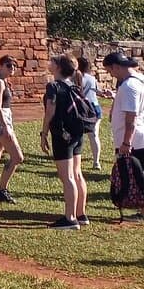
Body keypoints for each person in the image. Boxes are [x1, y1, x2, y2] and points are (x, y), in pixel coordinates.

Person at [41, 55, 88, 230]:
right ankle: (80, 214)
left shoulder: (53, 86)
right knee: (77, 174)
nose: (49, 63)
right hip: (77, 133)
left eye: (52, 61)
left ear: (59, 67)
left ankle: (70, 218)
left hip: (62, 134)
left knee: (67, 176)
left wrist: (44, 132)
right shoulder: (73, 85)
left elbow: (50, 110)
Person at [0, 56, 24, 204]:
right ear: (0, 66)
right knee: (17, 157)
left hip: (2, 118)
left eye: (14, 66)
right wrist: (5, 126)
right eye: (9, 65)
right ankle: (2, 189)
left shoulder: (4, 82)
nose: (12, 68)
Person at [102, 51, 144, 163]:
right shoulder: (139, 80)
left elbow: (131, 116)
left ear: (116, 67)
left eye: (109, 70)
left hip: (133, 143)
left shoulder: (129, 86)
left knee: (130, 179)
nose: (111, 74)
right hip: (137, 140)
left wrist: (126, 143)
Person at [75, 55, 104, 169]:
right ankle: (96, 161)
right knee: (94, 135)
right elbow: (99, 90)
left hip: (82, 108)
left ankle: (75, 158)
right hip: (95, 107)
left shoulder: (75, 77)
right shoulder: (92, 78)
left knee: (77, 134)